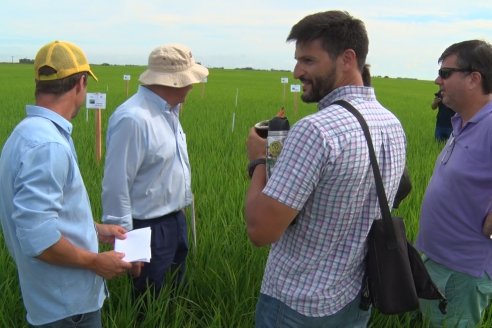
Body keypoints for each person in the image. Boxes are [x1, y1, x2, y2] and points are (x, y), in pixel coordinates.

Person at [244, 10, 407, 327]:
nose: (296, 72)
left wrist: (260, 159)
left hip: (297, 303)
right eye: (297, 60)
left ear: (347, 59)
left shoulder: (316, 131)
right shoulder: (391, 123)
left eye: (308, 61)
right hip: (355, 297)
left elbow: (261, 231)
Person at [0, 40, 132, 327]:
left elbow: (42, 219)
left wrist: (95, 229)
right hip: (67, 308)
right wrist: (95, 262)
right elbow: (39, 239)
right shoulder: (47, 145)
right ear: (80, 84)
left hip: (52, 300)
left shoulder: (24, 134)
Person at [102, 44, 209, 299]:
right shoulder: (134, 119)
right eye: (189, 79)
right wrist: (128, 246)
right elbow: (117, 185)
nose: (192, 85)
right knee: (149, 304)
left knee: (173, 298)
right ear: (173, 81)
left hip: (175, 221)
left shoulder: (169, 112)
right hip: (147, 228)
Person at [416, 39, 492, 327]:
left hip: (462, 272)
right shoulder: (462, 121)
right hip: (437, 261)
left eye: (446, 73)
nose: (438, 80)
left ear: (474, 78)